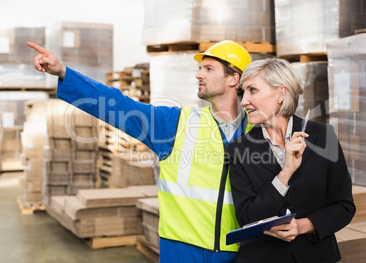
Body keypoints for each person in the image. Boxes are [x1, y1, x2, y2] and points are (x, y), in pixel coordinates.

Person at [28, 40, 253, 262]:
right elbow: (117, 105)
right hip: (181, 250)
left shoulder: (258, 132)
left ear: (234, 79)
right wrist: (65, 73)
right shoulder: (176, 123)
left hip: (237, 252)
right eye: (200, 68)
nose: (198, 75)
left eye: (209, 69)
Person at [226, 58, 355, 263]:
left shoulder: (323, 136)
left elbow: (344, 206)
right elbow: (247, 218)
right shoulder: (239, 149)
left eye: (253, 90)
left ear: (281, 93)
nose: (243, 101)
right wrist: (285, 173)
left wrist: (302, 226)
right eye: (243, 92)